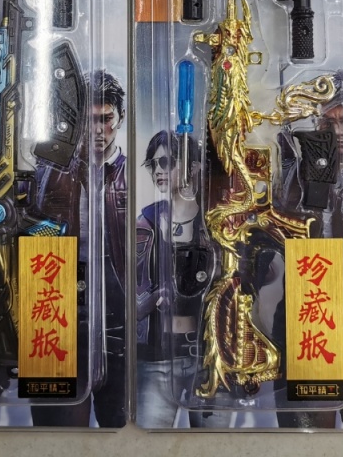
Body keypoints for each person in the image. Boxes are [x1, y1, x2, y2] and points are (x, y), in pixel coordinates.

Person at [274, 73, 343, 428]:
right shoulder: (297, 175)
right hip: (309, 309)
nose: (339, 131)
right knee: (308, 429)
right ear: (316, 124)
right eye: (328, 122)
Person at [30, 69, 127, 428]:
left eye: (106, 119)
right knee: (56, 429)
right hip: (53, 301)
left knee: (121, 426)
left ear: (120, 118)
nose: (98, 130)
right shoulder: (49, 172)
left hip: (114, 310)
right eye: (89, 120)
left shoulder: (131, 177)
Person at [135, 130, 210, 429]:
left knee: (219, 445)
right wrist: (154, 297)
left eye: (167, 162)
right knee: (149, 441)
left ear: (193, 166)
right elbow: (128, 294)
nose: (159, 171)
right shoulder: (146, 222)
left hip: (208, 358)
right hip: (156, 359)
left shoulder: (215, 223)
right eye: (153, 164)